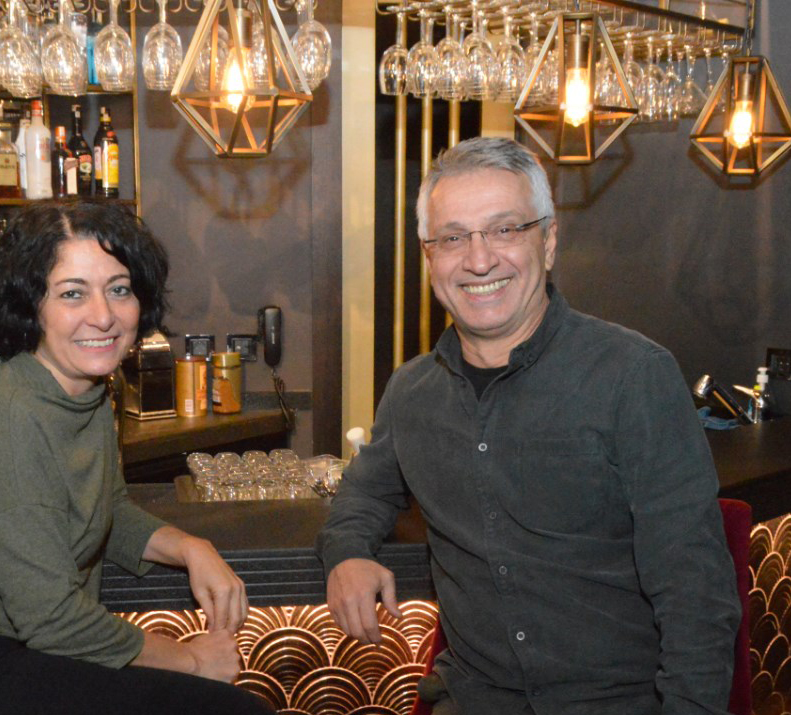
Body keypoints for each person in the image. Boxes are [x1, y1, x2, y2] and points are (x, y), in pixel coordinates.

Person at [317, 138, 741, 715]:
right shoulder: (412, 393)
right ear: (429, 258)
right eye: (453, 238)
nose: (479, 260)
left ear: (548, 240)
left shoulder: (632, 375)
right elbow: (363, 493)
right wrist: (346, 552)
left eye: (505, 229)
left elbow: (696, 592)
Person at [0, 201, 273, 715]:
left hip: (15, 657)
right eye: (72, 293)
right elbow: (54, 619)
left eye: (119, 289)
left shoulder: (88, 395)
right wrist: (191, 659)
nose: (103, 316)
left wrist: (192, 548)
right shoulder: (5, 418)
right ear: (30, 306)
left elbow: (106, 508)